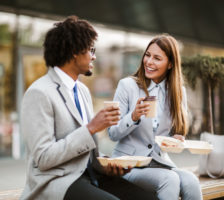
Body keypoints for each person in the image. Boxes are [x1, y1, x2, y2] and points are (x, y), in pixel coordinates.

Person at [20, 16, 157, 200]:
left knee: (148, 198)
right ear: (75, 51)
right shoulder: (39, 93)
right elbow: (43, 158)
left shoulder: (82, 90)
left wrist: (107, 165)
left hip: (89, 176)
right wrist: (92, 127)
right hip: (56, 182)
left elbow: (87, 154)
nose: (94, 56)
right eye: (91, 49)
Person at [108, 34, 202, 200]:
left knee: (192, 181)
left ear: (170, 64)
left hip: (160, 162)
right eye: (147, 55)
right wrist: (134, 116)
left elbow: (172, 135)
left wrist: (175, 140)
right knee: (170, 179)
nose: (149, 62)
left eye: (157, 58)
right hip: (128, 164)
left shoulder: (178, 92)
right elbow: (112, 133)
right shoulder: (127, 86)